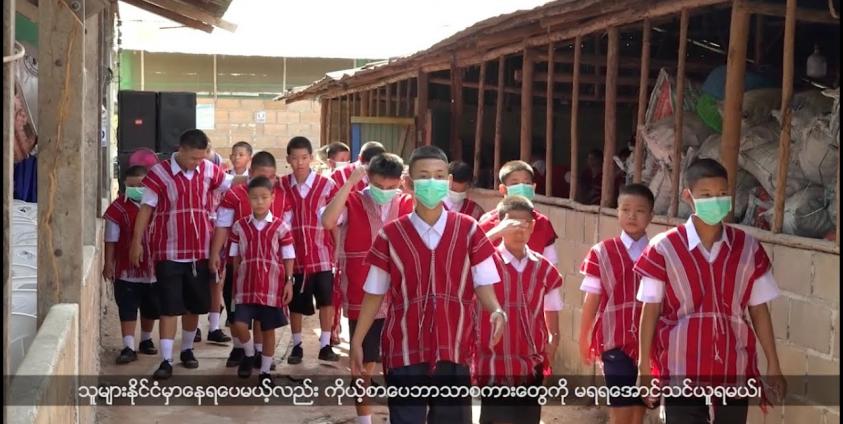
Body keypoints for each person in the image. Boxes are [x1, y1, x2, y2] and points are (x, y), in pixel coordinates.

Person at [350, 145, 507, 424]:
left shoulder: (469, 230)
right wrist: (357, 341)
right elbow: (374, 294)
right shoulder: (391, 235)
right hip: (404, 347)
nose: (432, 182)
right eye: (424, 176)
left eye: (439, 176)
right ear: (409, 182)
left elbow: (483, 282)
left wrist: (495, 309)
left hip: (454, 345)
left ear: (448, 180)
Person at [635, 158, 786, 423]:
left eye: (721, 194)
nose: (715, 201)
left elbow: (759, 310)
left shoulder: (747, 248)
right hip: (681, 369)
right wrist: (643, 367)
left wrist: (773, 363)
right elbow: (650, 311)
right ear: (688, 196)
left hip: (733, 368)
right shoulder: (663, 249)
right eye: (706, 195)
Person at [129, 129, 244, 379]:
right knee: (169, 308)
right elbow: (146, 209)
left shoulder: (209, 170)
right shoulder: (159, 174)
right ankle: (166, 360)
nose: (197, 163)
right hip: (168, 251)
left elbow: (230, 182)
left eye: (201, 158)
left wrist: (255, 177)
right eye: (193, 158)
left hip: (199, 252)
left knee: (194, 306)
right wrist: (136, 242)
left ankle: (187, 350)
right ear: (180, 150)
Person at [321, 153, 414, 424]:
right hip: (361, 296)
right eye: (378, 186)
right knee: (362, 364)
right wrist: (350, 183)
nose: (384, 192)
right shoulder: (352, 201)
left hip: (400, 298)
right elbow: (327, 221)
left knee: (402, 365)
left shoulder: (407, 203)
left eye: (391, 187)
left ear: (399, 182)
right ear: (368, 179)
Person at [475, 195, 563, 424]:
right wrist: (493, 234)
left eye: (525, 224)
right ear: (500, 225)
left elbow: (552, 308)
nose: (519, 229)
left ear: (533, 227)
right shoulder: (484, 262)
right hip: (493, 362)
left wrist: (553, 340)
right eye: (512, 223)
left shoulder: (544, 268)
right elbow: (460, 260)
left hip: (530, 364)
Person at [578, 183, 654, 424]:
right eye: (625, 209)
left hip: (651, 344)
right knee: (621, 410)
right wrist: (583, 337)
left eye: (640, 211)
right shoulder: (601, 252)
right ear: (617, 212)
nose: (632, 216)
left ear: (651, 216)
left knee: (639, 411)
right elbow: (592, 298)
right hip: (614, 342)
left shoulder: (660, 252)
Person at [209, 151, 291, 369]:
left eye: (272, 176)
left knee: (263, 317)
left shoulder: (281, 195)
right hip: (240, 266)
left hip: (271, 270)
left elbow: (288, 236)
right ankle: (240, 349)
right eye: (262, 175)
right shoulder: (235, 195)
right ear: (251, 173)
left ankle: (260, 355)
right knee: (237, 312)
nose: (268, 181)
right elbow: (223, 226)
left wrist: (289, 274)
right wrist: (216, 253)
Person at [229, 176, 295, 387]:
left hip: (271, 287)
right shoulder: (239, 227)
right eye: (255, 197)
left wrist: (289, 281)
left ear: (272, 197)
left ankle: (265, 372)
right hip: (245, 287)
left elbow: (288, 256)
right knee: (239, 324)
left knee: (268, 330)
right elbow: (235, 257)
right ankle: (249, 354)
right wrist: (234, 280)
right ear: (248, 198)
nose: (259, 201)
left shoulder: (281, 227)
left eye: (264, 197)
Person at [280, 136, 341, 363]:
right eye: (295, 158)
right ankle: (297, 346)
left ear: (312, 158)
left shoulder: (327, 185)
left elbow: (335, 222)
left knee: (326, 301)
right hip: (293, 257)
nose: (300, 163)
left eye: (304, 157)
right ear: (288, 159)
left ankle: (325, 345)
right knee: (295, 304)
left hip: (322, 254)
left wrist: (338, 251)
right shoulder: (281, 186)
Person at [103, 165, 160, 364]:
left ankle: (146, 340)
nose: (138, 189)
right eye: (133, 186)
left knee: (150, 306)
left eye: (141, 185)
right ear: (125, 186)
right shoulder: (117, 208)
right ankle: (128, 346)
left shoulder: (158, 206)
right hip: (126, 270)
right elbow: (111, 240)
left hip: (154, 268)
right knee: (127, 306)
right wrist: (108, 264)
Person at [478, 160, 559, 267]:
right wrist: (496, 232)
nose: (522, 187)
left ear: (533, 188)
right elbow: (473, 255)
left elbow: (551, 264)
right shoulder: (488, 221)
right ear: (503, 189)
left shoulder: (543, 222)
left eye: (527, 183)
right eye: (515, 184)